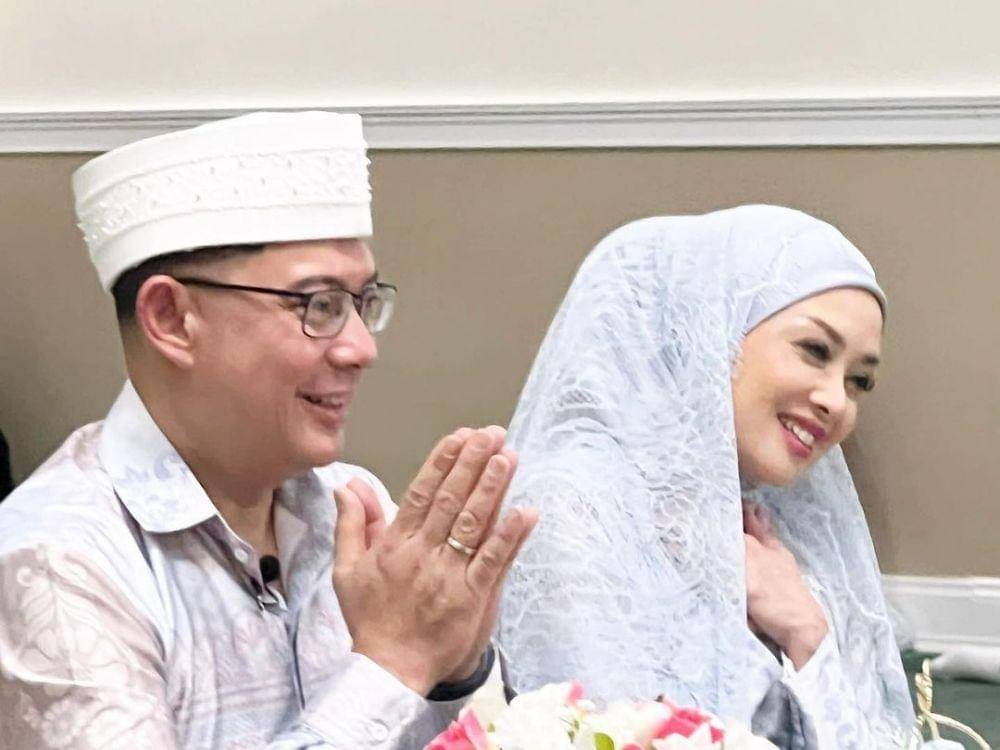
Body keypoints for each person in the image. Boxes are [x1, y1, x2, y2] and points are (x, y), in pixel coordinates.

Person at [0, 112, 537, 749]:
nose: (361, 348)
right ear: (171, 318)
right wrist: (396, 663)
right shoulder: (55, 561)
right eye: (319, 305)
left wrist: (457, 671)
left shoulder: (349, 504)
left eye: (362, 304)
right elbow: (395, 670)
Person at [497, 205, 915, 749]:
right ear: (710, 329)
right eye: (815, 351)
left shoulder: (769, 526)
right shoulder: (573, 513)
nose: (837, 401)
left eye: (859, 381)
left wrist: (807, 633)